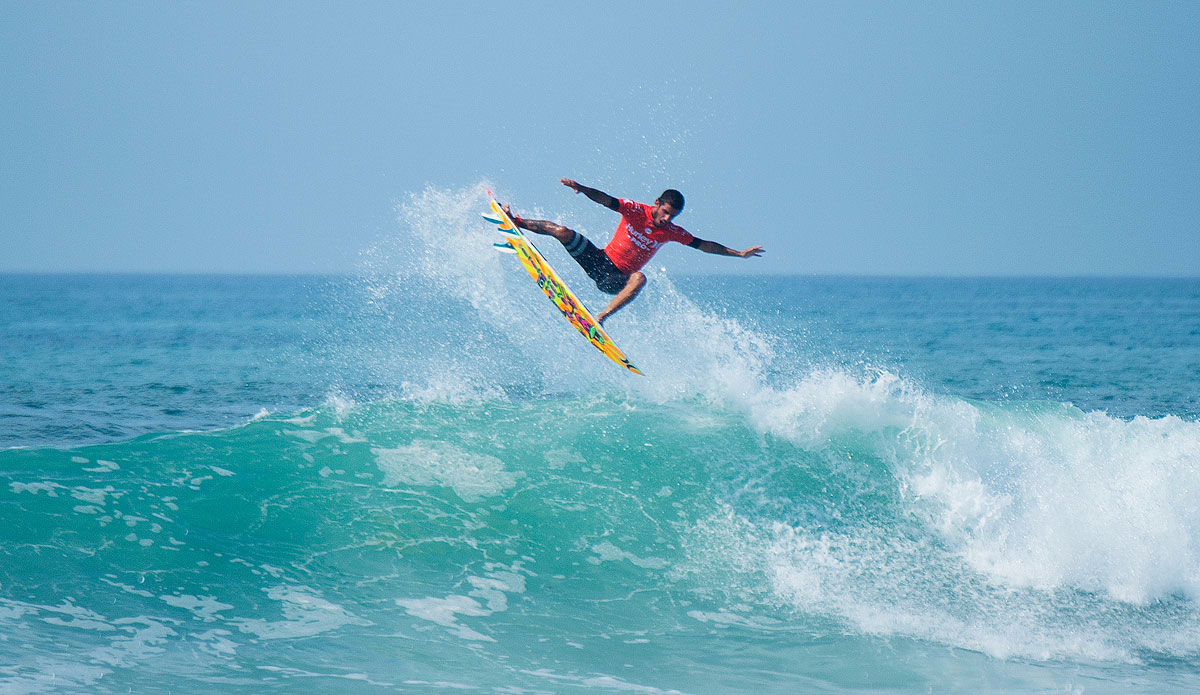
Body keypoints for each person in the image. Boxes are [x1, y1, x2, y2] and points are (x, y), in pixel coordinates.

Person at [504, 178, 765, 324]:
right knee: (562, 232)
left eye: (672, 216)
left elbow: (705, 245)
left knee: (640, 278)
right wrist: (582, 189)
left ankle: (602, 317)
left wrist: (739, 254)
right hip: (599, 260)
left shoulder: (672, 232)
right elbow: (606, 199)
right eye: (665, 212)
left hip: (614, 280)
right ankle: (517, 222)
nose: (667, 219)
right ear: (657, 203)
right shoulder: (634, 210)